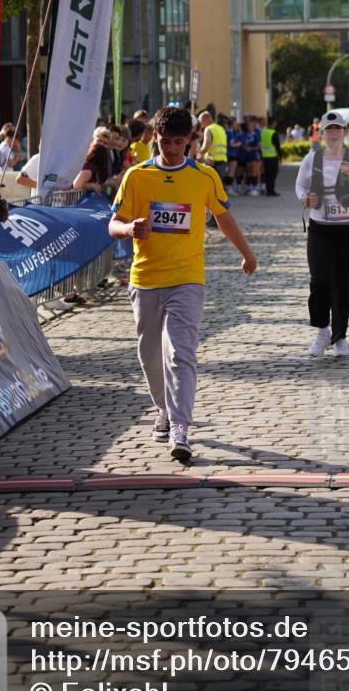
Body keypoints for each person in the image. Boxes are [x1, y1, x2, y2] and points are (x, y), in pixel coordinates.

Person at [108, 106, 257, 462]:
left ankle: (180, 427)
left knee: (180, 352)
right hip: (145, 278)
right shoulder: (137, 176)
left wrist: (247, 254)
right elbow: (113, 223)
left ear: (190, 140)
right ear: (154, 138)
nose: (172, 149)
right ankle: (162, 408)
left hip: (187, 278)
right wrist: (128, 229)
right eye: (166, 142)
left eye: (179, 142)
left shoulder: (204, 176)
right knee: (149, 355)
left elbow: (224, 217)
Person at [295, 110, 349, 358]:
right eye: (328, 129)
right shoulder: (311, 159)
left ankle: (340, 337)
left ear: (344, 132)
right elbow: (300, 185)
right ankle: (322, 331)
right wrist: (304, 198)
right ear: (321, 133)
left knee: (343, 286)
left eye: (337, 129)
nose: (333, 134)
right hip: (320, 229)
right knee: (320, 282)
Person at [260, 116, 282, 196]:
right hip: (272, 156)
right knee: (273, 174)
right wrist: (280, 156)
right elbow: (277, 145)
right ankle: (271, 190)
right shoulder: (273, 132)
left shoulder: (263, 132)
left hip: (264, 156)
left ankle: (268, 190)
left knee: (267, 174)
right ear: (273, 123)